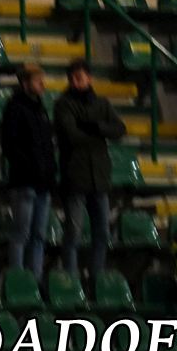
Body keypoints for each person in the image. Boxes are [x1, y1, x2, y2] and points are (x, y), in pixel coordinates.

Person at [54, 59, 125, 281]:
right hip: (76, 176)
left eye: (80, 77)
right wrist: (100, 134)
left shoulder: (102, 103)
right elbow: (71, 134)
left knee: (102, 233)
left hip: (99, 178)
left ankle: (97, 278)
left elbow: (119, 128)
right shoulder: (63, 104)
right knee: (74, 232)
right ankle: (72, 279)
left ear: (89, 78)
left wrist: (96, 128)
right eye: (73, 78)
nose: (76, 82)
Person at [1, 63, 55, 279]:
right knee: (21, 234)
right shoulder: (15, 108)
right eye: (37, 80)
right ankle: (17, 280)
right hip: (25, 182)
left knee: (39, 235)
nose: (42, 84)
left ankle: (35, 280)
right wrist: (31, 168)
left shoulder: (39, 108)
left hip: (43, 182)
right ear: (25, 84)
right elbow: (10, 145)